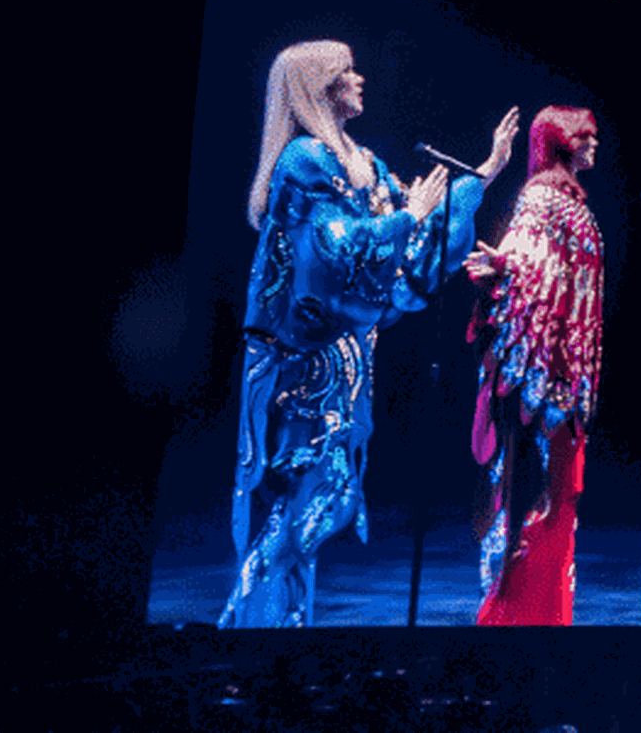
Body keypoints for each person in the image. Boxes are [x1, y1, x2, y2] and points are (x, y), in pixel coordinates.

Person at [220, 40, 519, 628]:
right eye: (346, 72)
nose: (359, 78)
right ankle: (244, 618)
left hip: (348, 359)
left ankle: (274, 624)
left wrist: (485, 171)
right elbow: (335, 247)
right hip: (300, 363)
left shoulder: (363, 162)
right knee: (315, 495)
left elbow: (412, 240)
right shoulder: (304, 161)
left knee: (317, 499)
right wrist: (407, 217)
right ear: (320, 87)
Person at [464, 106, 606, 625]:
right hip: (545, 380)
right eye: (584, 137)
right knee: (540, 499)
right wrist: (502, 267)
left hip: (565, 374)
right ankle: (519, 616)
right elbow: (526, 260)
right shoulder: (543, 196)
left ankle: (542, 614)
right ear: (562, 142)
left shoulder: (565, 200)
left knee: (556, 502)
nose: (593, 145)